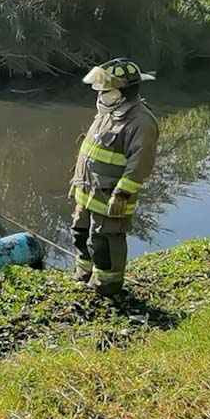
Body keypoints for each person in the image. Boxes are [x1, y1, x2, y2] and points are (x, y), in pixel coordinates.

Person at [70, 58, 159, 297]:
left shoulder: (141, 122)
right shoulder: (107, 111)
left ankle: (107, 287)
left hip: (111, 198)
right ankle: (83, 275)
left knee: (105, 242)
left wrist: (122, 193)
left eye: (106, 90)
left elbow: (140, 163)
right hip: (87, 192)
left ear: (124, 92)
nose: (100, 94)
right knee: (80, 233)